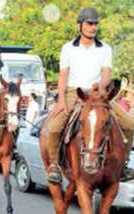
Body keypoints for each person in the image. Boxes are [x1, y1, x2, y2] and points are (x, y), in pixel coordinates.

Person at [45, 8, 134, 184]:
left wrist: (100, 88)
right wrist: (61, 100)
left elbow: (107, 74)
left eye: (95, 24)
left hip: (98, 94)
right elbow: (63, 75)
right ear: (80, 25)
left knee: (129, 124)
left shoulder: (105, 49)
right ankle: (54, 166)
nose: (93, 27)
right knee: (54, 127)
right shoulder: (68, 48)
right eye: (89, 23)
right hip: (74, 92)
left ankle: (123, 166)